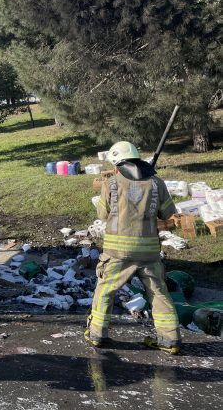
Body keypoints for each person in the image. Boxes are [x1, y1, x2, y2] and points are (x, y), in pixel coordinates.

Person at [85, 141, 180, 354]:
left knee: (105, 291)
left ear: (117, 163)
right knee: (158, 293)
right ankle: (170, 340)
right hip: (149, 253)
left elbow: (101, 214)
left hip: (117, 253)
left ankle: (97, 335)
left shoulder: (110, 184)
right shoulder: (157, 183)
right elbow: (169, 215)